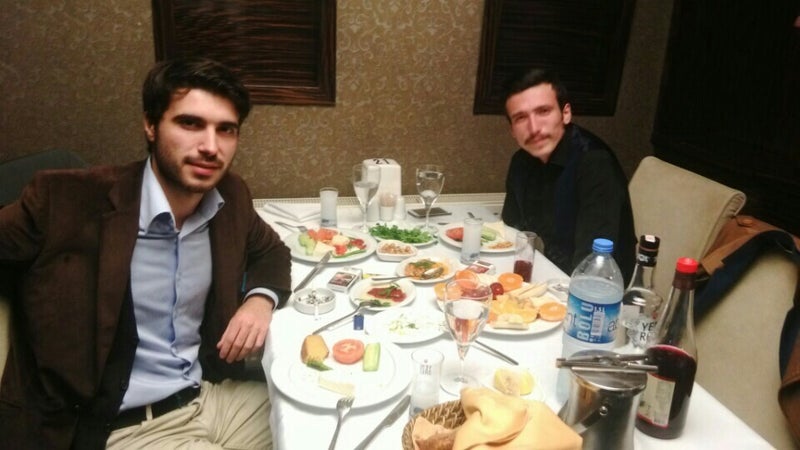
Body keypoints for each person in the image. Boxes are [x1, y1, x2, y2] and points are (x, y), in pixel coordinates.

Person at [0, 57, 292, 449]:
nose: (210, 146)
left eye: (225, 129)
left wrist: (259, 300)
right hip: (122, 425)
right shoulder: (66, 200)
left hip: (209, 396)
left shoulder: (230, 196)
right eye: (190, 123)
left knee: (322, 420)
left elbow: (271, 251)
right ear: (151, 125)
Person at [501, 68, 635, 282]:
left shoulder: (595, 163)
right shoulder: (521, 161)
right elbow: (511, 232)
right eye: (521, 118)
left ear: (566, 113)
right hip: (549, 272)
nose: (534, 128)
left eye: (543, 111)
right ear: (512, 130)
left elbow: (593, 265)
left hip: (597, 288)